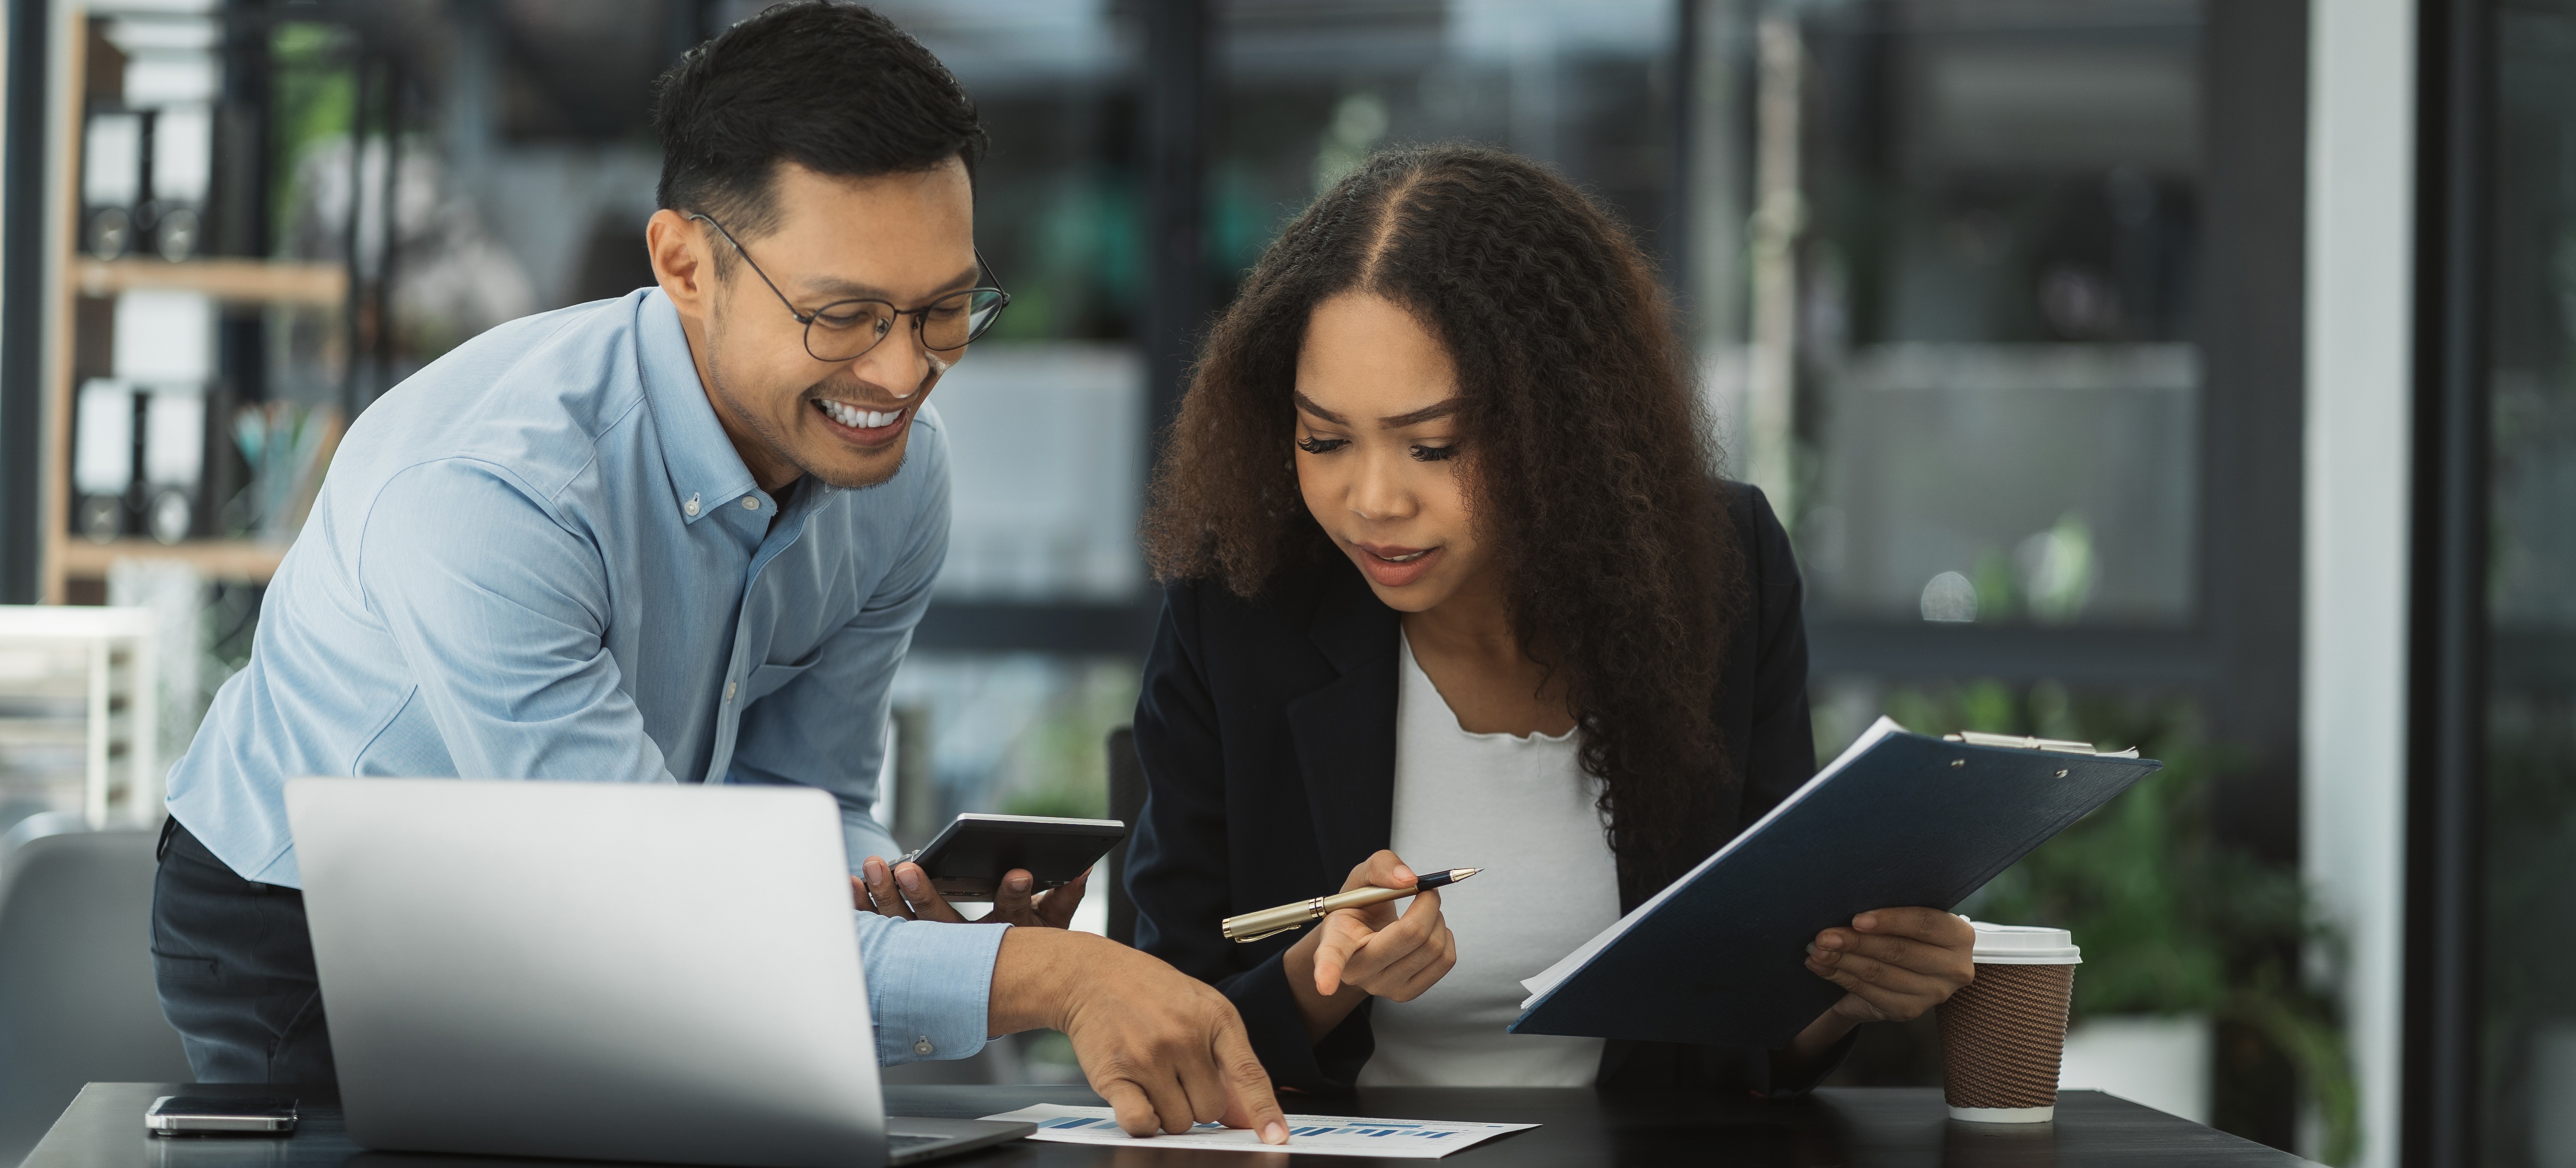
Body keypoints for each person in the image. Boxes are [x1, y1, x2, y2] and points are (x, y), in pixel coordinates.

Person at [148, 3, 1284, 1144]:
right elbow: (652, 922)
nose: (902, 375)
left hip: (592, 896)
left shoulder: (895, 481)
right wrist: (1045, 977)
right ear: (685, 264)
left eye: (945, 309)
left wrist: (894, 898)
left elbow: (801, 804)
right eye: (843, 318)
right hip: (303, 922)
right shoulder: (495, 495)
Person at [1120, 144, 1978, 1093]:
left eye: (1434, 446)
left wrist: (1850, 992)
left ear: (1560, 426)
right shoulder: (1239, 610)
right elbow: (1162, 1025)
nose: (1372, 499)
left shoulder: (1719, 568)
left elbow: (1750, 1028)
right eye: (1324, 439)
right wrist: (1317, 979)